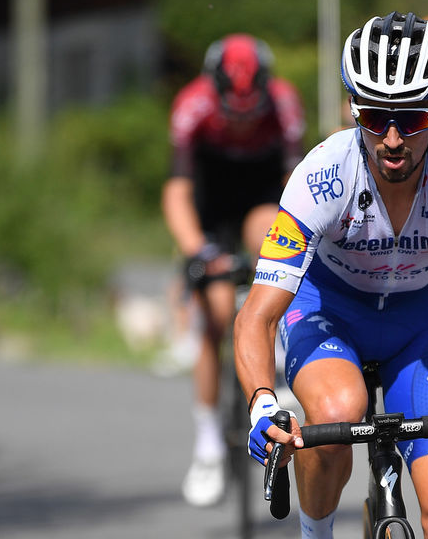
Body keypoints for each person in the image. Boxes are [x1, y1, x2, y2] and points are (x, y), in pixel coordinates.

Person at [235, 12, 428, 539]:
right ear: (354, 110)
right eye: (376, 118)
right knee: (336, 415)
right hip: (329, 312)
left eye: (414, 118)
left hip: (421, 325)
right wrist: (262, 403)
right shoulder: (321, 175)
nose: (395, 138)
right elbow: (257, 316)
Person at [162, 33, 305, 506]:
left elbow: (295, 184)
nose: (242, 123)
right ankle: (206, 445)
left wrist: (293, 249)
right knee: (216, 314)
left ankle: (280, 363)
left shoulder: (284, 104)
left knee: (272, 240)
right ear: (214, 91)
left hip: (262, 200)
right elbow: (177, 191)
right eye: (233, 114)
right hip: (211, 208)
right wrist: (194, 250)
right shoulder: (192, 106)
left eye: (250, 114)